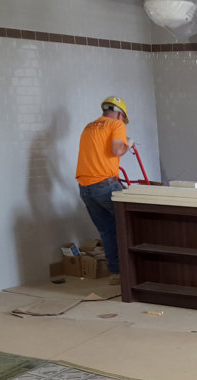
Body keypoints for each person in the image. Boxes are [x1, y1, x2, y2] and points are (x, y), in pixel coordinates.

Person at [76, 96, 133, 284]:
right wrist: (128, 145)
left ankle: (116, 274)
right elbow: (117, 151)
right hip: (105, 186)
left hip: (85, 188)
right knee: (129, 225)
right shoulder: (116, 125)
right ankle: (133, 273)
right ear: (119, 114)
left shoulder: (89, 127)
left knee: (107, 231)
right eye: (123, 118)